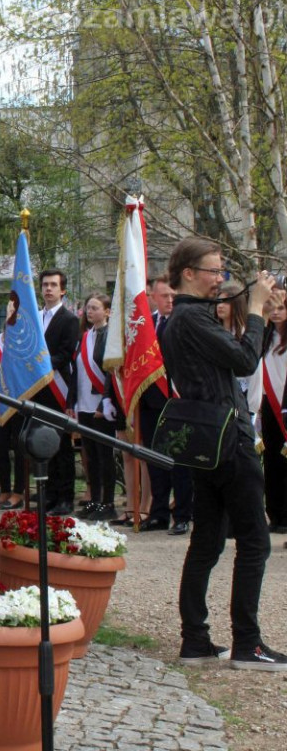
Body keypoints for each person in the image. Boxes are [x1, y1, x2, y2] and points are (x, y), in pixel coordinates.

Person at [162, 237, 287, 670]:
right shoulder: (192, 318)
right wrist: (256, 310)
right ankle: (247, 643)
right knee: (254, 540)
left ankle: (195, 640)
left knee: (208, 541)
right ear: (189, 273)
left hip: (205, 439)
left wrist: (259, 314)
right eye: (214, 271)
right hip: (228, 437)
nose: (220, 279)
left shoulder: (182, 317)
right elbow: (246, 360)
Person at [138, 274, 195, 536]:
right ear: (153, 297)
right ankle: (158, 513)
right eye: (164, 296)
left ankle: (182, 515)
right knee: (155, 460)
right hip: (150, 402)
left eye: (174, 295)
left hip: (177, 401)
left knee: (180, 461)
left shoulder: (185, 324)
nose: (170, 300)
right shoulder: (146, 325)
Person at [67, 293, 118, 521]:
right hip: (84, 404)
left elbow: (110, 373)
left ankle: (108, 502)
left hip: (101, 405)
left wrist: (104, 400)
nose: (90, 311)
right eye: (88, 307)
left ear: (107, 312)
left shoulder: (110, 337)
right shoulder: (85, 337)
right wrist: (71, 402)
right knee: (91, 456)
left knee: (105, 456)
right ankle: (94, 500)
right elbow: (76, 371)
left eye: (95, 308)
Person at [35, 269, 79, 516]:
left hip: (58, 388)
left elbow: (66, 353)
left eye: (53, 285)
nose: (48, 289)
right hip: (38, 390)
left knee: (61, 447)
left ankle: (65, 498)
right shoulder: (36, 317)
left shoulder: (69, 319)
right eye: (45, 285)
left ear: (63, 290)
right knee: (43, 444)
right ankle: (49, 496)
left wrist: (40, 364)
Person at [0, 292, 26, 510]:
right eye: (9, 311)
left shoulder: (24, 343)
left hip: (20, 402)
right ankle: (4, 490)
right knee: (0, 446)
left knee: (20, 447)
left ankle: (19, 492)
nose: (11, 315)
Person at [261, 294, 287, 533]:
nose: (276, 312)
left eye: (281, 307)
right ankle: (275, 513)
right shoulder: (264, 338)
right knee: (272, 458)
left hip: (285, 403)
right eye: (272, 308)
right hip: (269, 403)